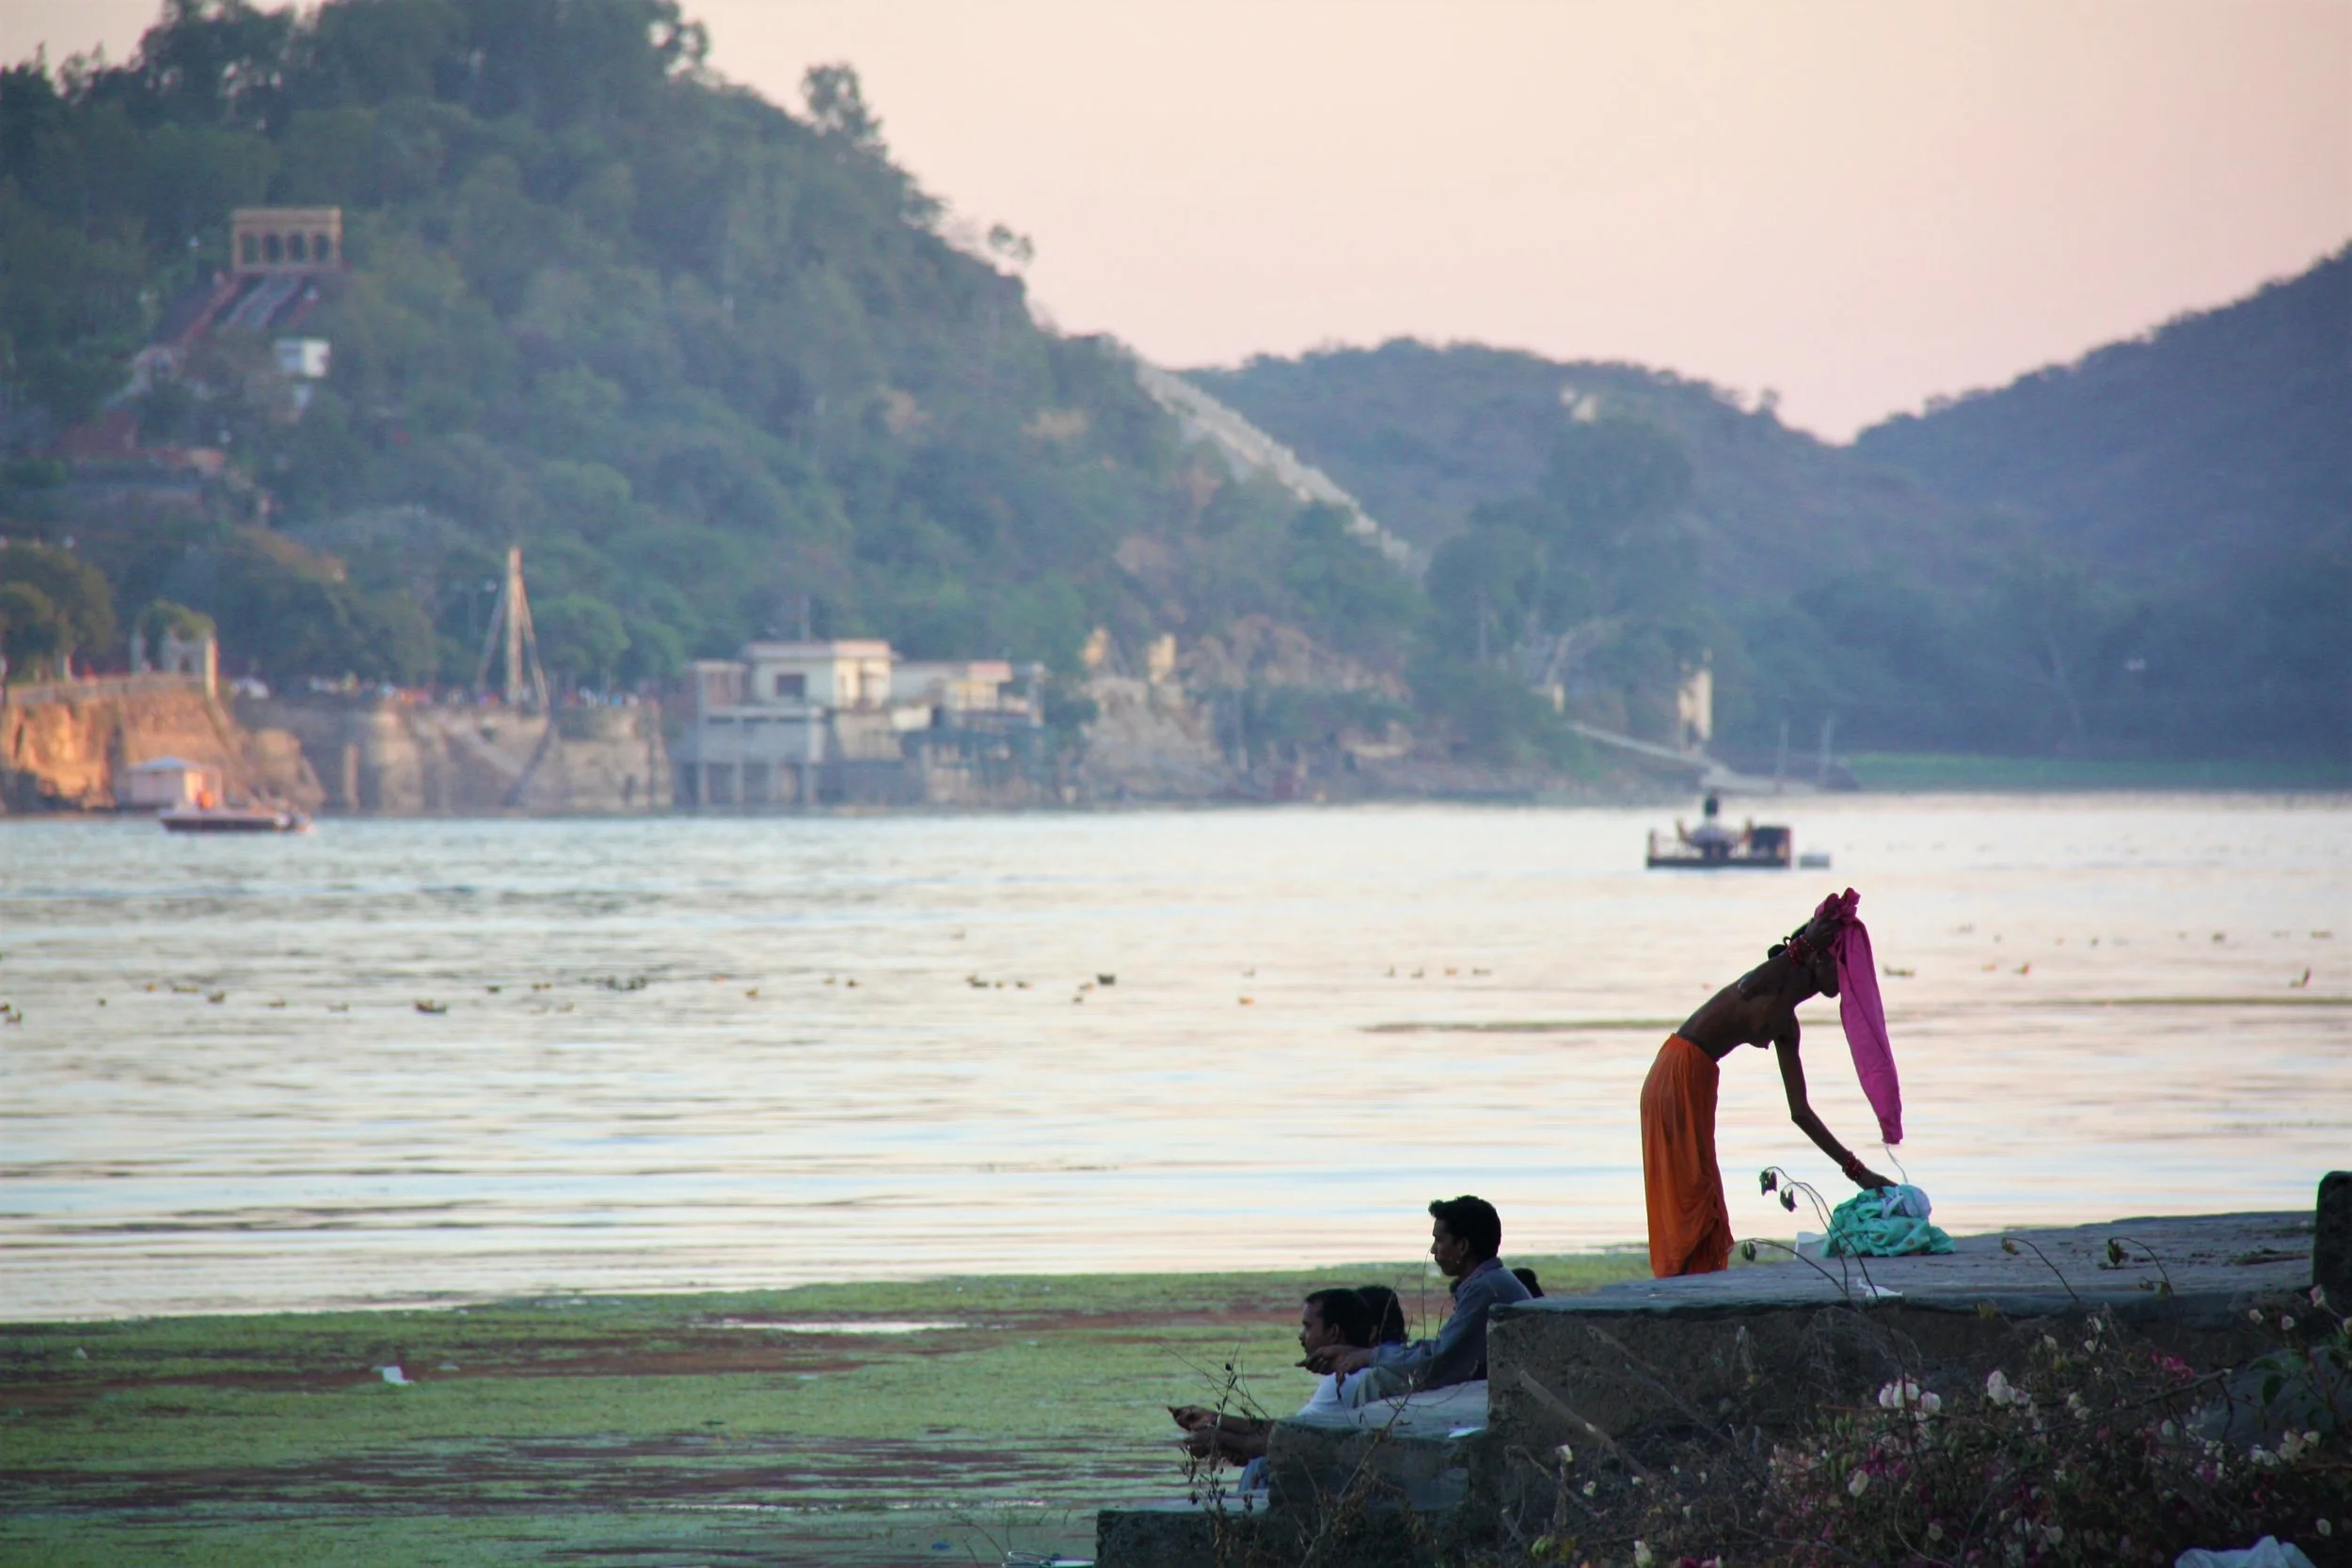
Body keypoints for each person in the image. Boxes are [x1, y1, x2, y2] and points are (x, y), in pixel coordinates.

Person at [1644, 892, 1899, 1278]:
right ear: (1814, 957)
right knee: (1691, 1196)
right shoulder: (1769, 983)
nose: (1846, 974)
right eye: (1840, 961)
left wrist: (1858, 1172)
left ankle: (1693, 1282)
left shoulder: (1787, 1024)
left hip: (1696, 1078)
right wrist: (1805, 943)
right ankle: (1678, 1285)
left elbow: (1801, 1111)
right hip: (1676, 1072)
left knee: (1701, 1193)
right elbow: (1746, 987)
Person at [1305, 1196, 1530, 1402]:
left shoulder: (1485, 1290)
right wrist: (1359, 1354)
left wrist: (1370, 1357)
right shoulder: (1492, 1281)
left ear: (1462, 1247)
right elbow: (1443, 1350)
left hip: (1512, 1393)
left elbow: (1439, 1360)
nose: (1433, 1250)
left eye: (1439, 1241)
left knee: (1377, 1381)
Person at [1168, 1287, 1379, 1465]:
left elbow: (1290, 1441)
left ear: (1333, 1332)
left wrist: (1221, 1439)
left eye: (1308, 1327)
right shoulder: (1357, 1378)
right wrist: (1215, 1420)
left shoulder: (1347, 1382)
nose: (1301, 1336)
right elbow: (1286, 1430)